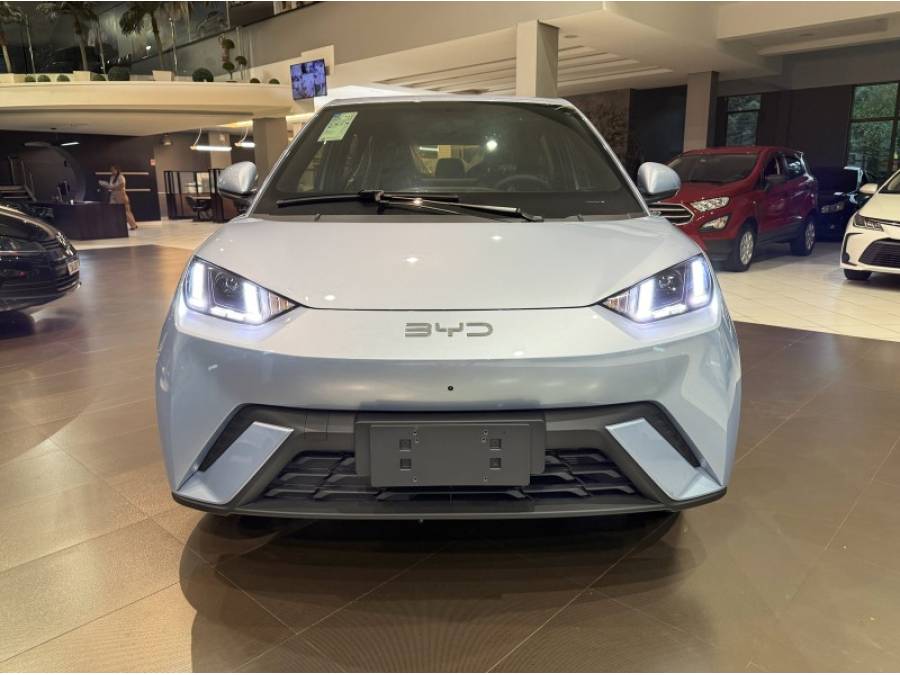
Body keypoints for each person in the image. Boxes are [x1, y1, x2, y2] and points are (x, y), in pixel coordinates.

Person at [100, 165, 138, 230]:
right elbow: (111, 186)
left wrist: (112, 187)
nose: (112, 171)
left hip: (121, 194)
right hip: (113, 194)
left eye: (113, 170)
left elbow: (121, 185)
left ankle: (133, 225)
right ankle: (115, 225)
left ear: (117, 170)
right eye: (111, 170)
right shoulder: (112, 177)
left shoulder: (121, 177)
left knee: (126, 211)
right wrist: (107, 186)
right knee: (112, 209)